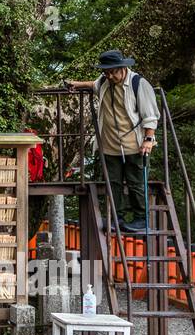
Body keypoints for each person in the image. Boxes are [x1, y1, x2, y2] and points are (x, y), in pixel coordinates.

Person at [66, 49, 159, 230]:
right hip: (110, 143)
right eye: (106, 72)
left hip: (134, 143)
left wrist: (148, 139)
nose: (109, 75)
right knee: (113, 183)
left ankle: (141, 219)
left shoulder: (138, 83)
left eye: (112, 71)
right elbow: (92, 84)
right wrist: (75, 84)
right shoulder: (103, 82)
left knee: (136, 182)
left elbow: (150, 115)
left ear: (122, 68)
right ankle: (118, 218)